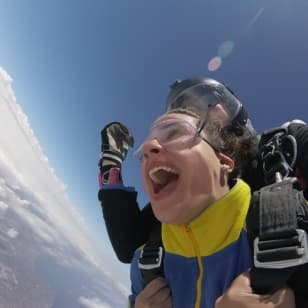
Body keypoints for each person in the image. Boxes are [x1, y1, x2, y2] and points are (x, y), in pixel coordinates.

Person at [98, 78, 307, 307]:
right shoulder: (149, 259)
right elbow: (128, 245)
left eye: (206, 102)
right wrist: (111, 164)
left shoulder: (278, 149)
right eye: (184, 106)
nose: (150, 147)